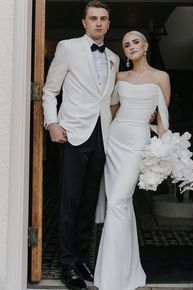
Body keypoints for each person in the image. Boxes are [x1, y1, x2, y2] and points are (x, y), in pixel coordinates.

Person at [42, 1, 119, 290]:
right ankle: (66, 263)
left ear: (109, 24)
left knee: (89, 201)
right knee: (70, 201)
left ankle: (80, 258)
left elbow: (110, 101)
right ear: (84, 22)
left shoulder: (112, 56)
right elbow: (50, 90)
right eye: (93, 18)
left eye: (103, 19)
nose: (98, 23)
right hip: (73, 133)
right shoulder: (67, 47)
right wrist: (52, 123)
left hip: (102, 137)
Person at [94, 31, 170, 290]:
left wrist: (162, 152)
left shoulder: (161, 77)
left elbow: (161, 118)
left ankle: (112, 277)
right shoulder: (120, 76)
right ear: (124, 52)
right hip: (115, 141)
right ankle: (126, 272)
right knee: (121, 205)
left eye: (135, 42)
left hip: (138, 142)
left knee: (118, 201)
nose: (131, 47)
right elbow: (111, 110)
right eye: (126, 44)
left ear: (146, 46)